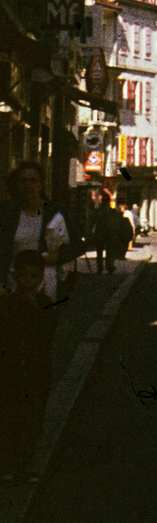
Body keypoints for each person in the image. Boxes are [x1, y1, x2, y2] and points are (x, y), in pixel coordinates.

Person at [0, 250, 59, 482]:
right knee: (11, 415)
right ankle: (11, 465)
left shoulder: (44, 303)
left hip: (37, 368)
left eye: (34, 276)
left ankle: (27, 463)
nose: (28, 282)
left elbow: (48, 333)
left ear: (41, 277)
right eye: (23, 276)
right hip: (11, 367)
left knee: (34, 416)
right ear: (16, 277)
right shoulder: (7, 304)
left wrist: (35, 307)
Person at [0, 163, 72, 302]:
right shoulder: (7, 212)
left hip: (44, 287)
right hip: (12, 286)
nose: (28, 185)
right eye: (23, 181)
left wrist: (58, 256)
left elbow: (77, 246)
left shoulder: (53, 211)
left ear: (41, 184)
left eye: (33, 180)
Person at [91, 194, 118, 275]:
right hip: (100, 234)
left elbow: (116, 223)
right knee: (100, 252)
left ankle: (109, 267)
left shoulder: (113, 211)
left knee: (109, 252)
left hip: (109, 234)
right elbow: (92, 222)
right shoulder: (97, 211)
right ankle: (100, 268)